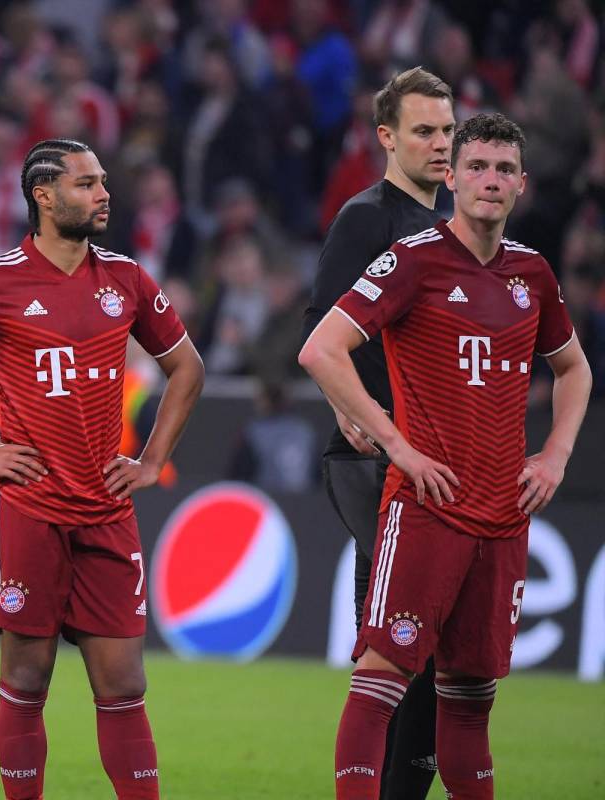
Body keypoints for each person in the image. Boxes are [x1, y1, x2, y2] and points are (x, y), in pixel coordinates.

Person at [0, 138, 204, 800]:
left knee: (123, 683)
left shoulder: (126, 279)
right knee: (27, 680)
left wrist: (151, 462)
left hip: (107, 514)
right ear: (44, 195)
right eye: (87, 184)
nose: (103, 194)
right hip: (29, 511)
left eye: (103, 182)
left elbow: (187, 368)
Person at [299, 113, 592, 799]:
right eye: (478, 167)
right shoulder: (412, 261)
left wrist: (554, 455)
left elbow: (573, 368)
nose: (490, 181)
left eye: (504, 169)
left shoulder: (532, 274)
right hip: (426, 508)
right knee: (379, 681)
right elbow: (321, 349)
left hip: (503, 516)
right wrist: (396, 441)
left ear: (521, 183)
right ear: (453, 176)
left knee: (469, 698)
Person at [300, 66, 455, 799]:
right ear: (387, 137)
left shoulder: (458, 218)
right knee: (397, 648)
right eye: (424, 130)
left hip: (440, 458)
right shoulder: (368, 217)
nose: (440, 144)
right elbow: (321, 323)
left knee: (432, 650)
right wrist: (355, 413)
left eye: (448, 130)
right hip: (371, 459)